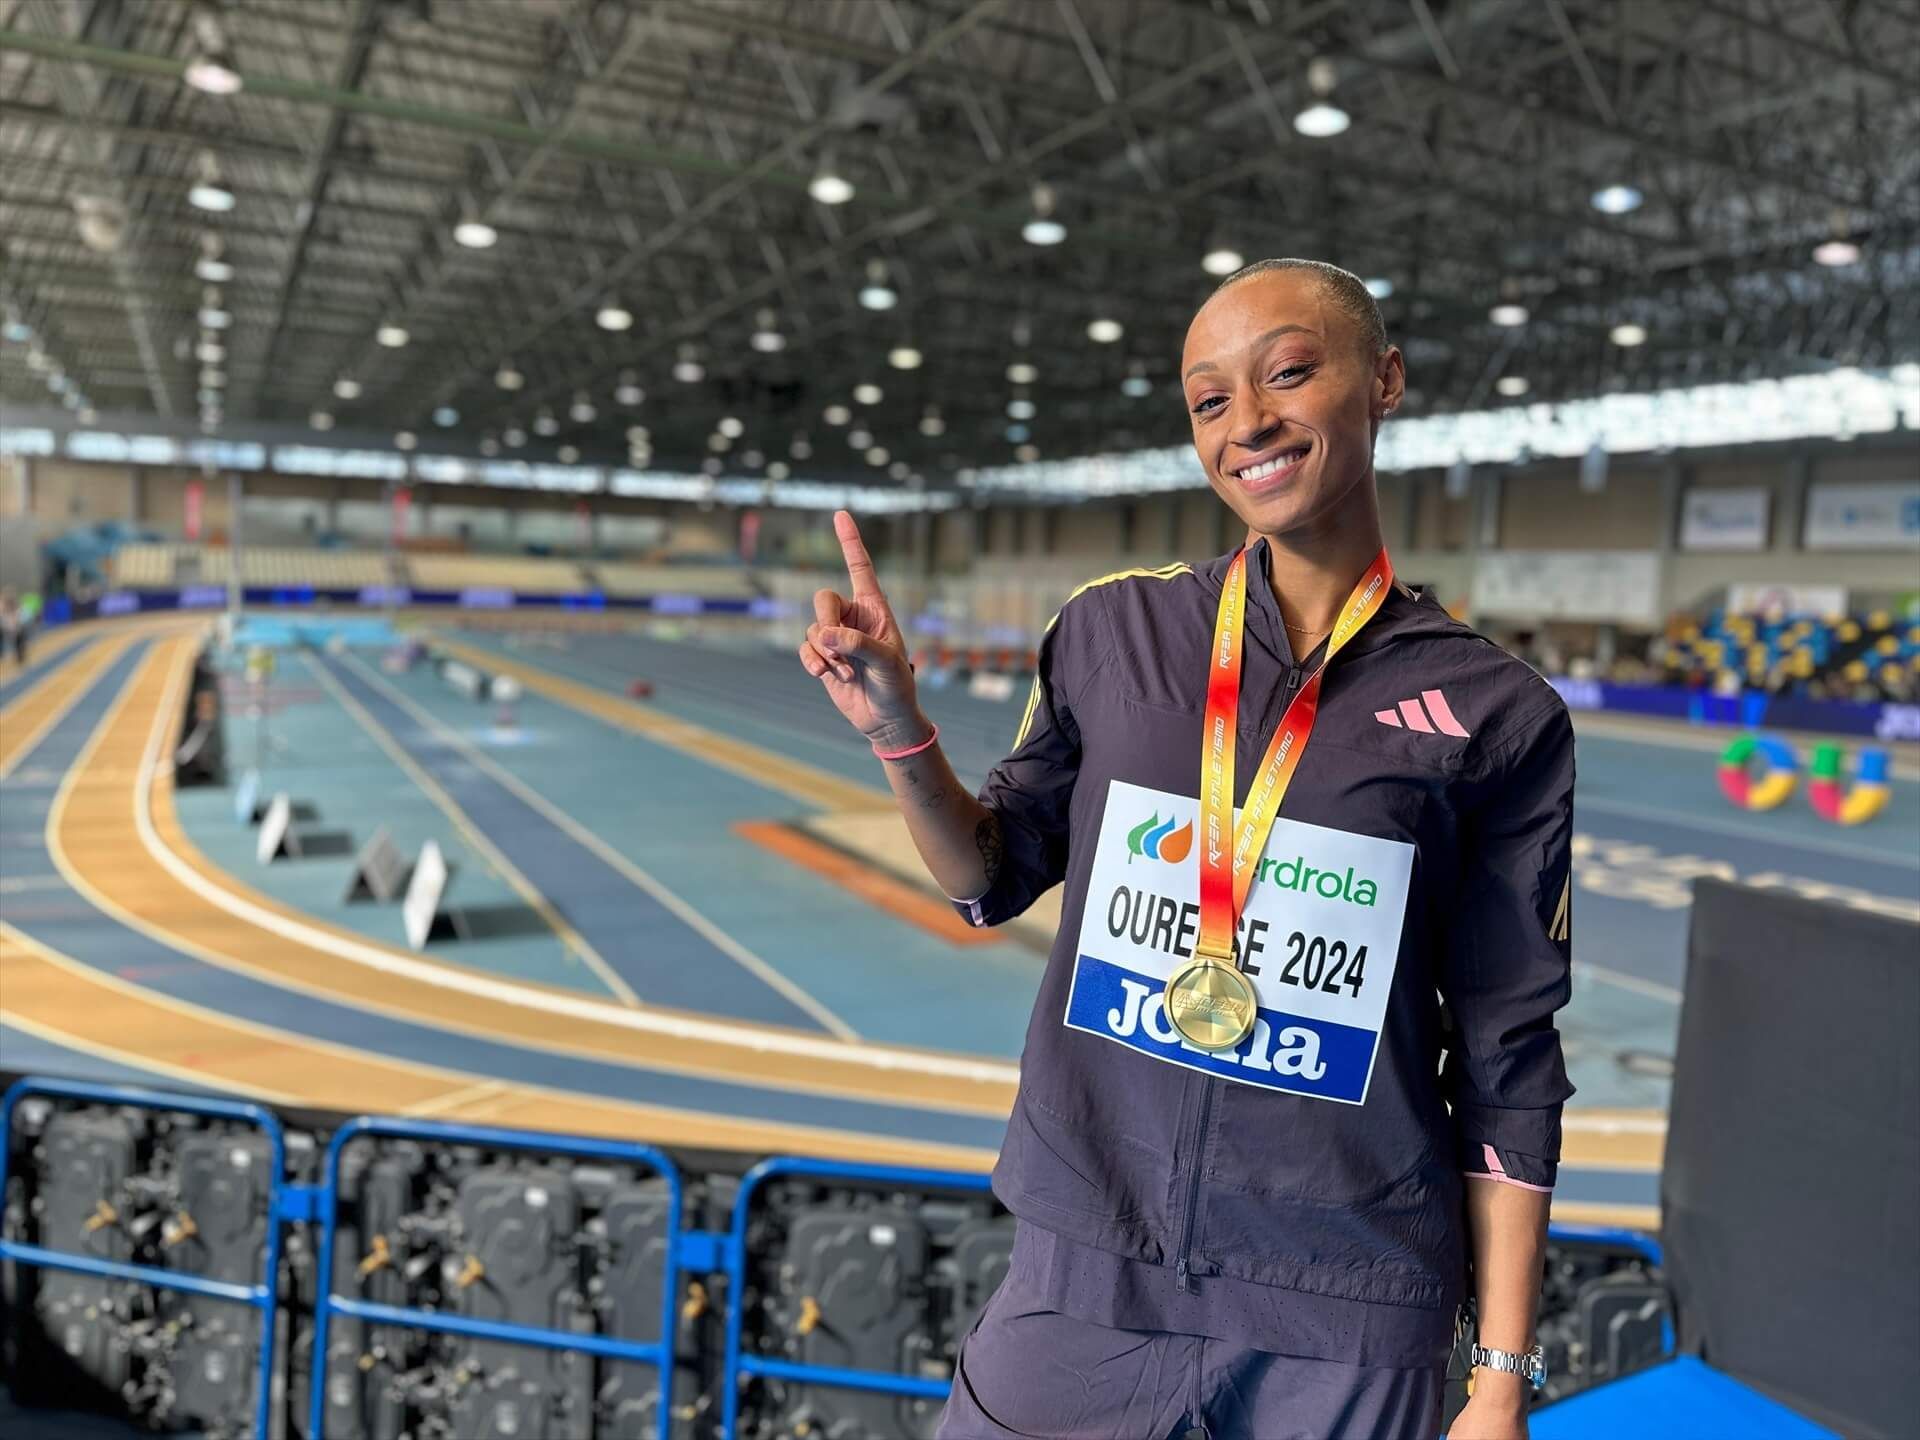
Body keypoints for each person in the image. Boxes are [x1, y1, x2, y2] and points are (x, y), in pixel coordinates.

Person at [800, 258, 1573, 1440]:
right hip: (1087, 1281)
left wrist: (1502, 1377)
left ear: (1385, 381)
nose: (1248, 422)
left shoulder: (1494, 708)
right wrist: (901, 734)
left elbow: (1510, 1059)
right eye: (1210, 401)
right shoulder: (1115, 632)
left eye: (1290, 374)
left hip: (1349, 1321)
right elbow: (988, 873)